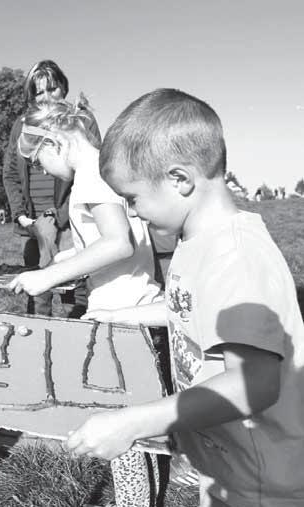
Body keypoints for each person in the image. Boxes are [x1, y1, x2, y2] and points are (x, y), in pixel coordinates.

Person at [70, 88, 304, 507]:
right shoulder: (197, 240)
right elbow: (190, 308)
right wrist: (120, 315)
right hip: (227, 463)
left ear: (179, 179)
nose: (134, 213)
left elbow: (256, 383)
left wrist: (134, 422)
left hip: (262, 480)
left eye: (133, 198)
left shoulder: (235, 255)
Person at [8, 96, 163, 507]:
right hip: (130, 314)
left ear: (56, 142)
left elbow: (118, 243)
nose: (41, 171)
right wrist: (64, 260)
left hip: (125, 321)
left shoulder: (92, 176)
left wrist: (48, 276)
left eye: (39, 160)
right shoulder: (104, 171)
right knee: (139, 431)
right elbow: (102, 243)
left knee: (125, 436)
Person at [2, 60, 86, 316]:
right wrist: (21, 214)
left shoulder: (78, 119)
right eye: (39, 92)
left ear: (63, 87)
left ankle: (78, 334)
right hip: (33, 220)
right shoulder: (22, 124)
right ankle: (39, 337)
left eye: (52, 89)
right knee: (38, 286)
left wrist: (60, 216)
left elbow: (88, 170)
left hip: (69, 219)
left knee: (75, 286)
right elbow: (11, 172)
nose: (47, 97)